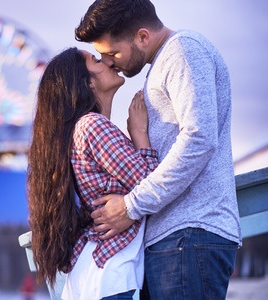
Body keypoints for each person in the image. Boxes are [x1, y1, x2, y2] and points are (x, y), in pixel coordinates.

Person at [75, 0, 242, 299]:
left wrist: (131, 206)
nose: (110, 62)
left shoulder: (183, 51)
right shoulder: (165, 62)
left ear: (142, 37)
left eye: (112, 53)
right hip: (175, 237)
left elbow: (199, 139)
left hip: (190, 232)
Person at [27, 47, 158, 299]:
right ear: (87, 83)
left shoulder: (76, 133)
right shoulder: (93, 126)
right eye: (97, 60)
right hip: (109, 275)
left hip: (88, 277)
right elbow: (153, 186)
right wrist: (140, 134)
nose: (108, 61)